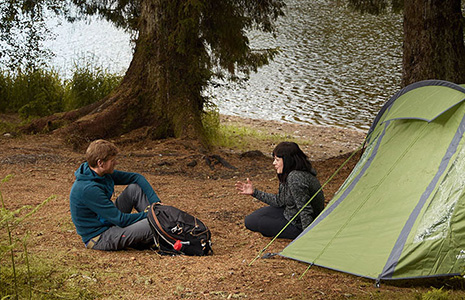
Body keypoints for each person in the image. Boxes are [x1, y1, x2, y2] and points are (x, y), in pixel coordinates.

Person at [69, 139, 161, 251]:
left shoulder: (100, 173)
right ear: (100, 163)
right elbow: (121, 220)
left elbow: (137, 177)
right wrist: (151, 214)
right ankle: (160, 231)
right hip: (100, 236)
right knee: (152, 224)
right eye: (112, 160)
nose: (116, 163)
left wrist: (156, 203)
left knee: (134, 189)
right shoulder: (88, 189)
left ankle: (158, 224)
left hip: (108, 220)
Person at [235, 142, 325, 239]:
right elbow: (280, 201)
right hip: (290, 212)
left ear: (287, 160)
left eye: (277, 160)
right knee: (251, 218)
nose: (274, 163)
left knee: (254, 222)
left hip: (298, 224)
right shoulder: (287, 173)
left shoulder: (296, 178)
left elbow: (305, 209)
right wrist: (254, 192)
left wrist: (307, 236)